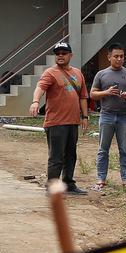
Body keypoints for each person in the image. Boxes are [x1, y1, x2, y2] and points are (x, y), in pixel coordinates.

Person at [29, 41, 89, 195]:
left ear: (70, 55)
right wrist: (35, 102)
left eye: (64, 53)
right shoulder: (50, 73)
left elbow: (83, 97)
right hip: (56, 122)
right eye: (57, 54)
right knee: (56, 157)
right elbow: (40, 88)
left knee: (71, 155)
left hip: (73, 121)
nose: (60, 56)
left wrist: (85, 116)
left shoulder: (77, 73)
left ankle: (68, 184)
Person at [90, 42, 126, 189]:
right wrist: (107, 92)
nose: (119, 59)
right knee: (103, 149)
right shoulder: (101, 74)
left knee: (124, 149)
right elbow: (92, 94)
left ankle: (125, 179)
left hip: (124, 116)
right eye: (116, 56)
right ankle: (101, 178)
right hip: (106, 115)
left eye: (122, 56)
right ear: (109, 57)